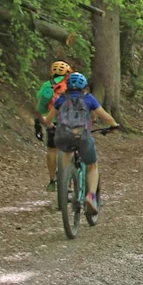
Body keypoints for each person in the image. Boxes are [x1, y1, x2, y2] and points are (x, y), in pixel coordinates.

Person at [43, 72, 119, 215]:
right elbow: (106, 117)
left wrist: (51, 126)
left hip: (62, 136)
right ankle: (90, 196)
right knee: (92, 166)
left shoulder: (60, 99)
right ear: (84, 86)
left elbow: (48, 121)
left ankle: (65, 180)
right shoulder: (89, 99)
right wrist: (114, 125)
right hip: (83, 137)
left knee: (66, 153)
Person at [35, 61, 73, 191]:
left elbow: (40, 109)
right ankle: (69, 180)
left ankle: (52, 181)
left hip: (53, 122)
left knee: (52, 150)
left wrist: (42, 122)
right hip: (70, 122)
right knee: (70, 150)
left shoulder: (47, 86)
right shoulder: (73, 83)